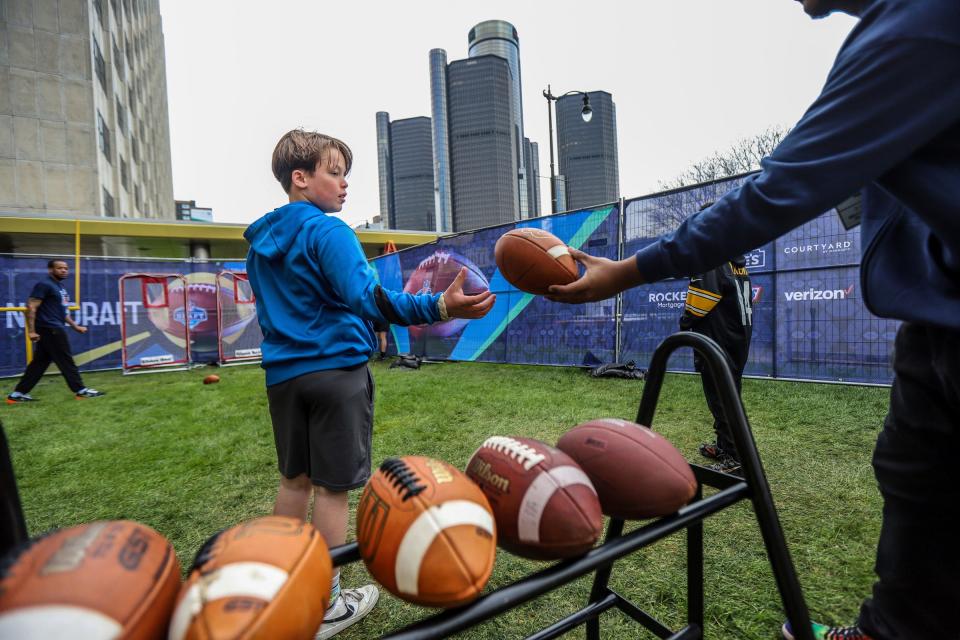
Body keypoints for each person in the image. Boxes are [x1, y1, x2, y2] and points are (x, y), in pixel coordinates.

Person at [548, 1, 960, 638]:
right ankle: (889, 627)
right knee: (912, 472)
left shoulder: (924, 19)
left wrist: (627, 272)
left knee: (732, 392)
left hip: (921, 322)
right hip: (933, 319)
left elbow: (774, 193)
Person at [244, 129, 494, 639]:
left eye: (344, 174)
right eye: (333, 172)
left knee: (294, 482)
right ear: (301, 178)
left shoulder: (258, 246)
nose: (344, 185)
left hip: (284, 379)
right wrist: (439, 306)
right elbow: (370, 301)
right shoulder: (329, 232)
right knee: (333, 490)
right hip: (335, 375)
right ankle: (326, 604)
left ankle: (281, 586)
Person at [677, 204, 753, 475]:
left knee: (721, 398)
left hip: (717, 339)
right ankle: (725, 446)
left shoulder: (711, 255)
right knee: (727, 394)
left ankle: (735, 458)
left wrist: (685, 323)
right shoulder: (735, 256)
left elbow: (703, 298)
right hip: (737, 337)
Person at [6, 260, 105, 403]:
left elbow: (62, 312)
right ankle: (81, 390)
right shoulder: (44, 285)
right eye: (59, 268)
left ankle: (17, 394)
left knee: (39, 363)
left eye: (65, 268)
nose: (64, 270)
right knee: (65, 360)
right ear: (50, 270)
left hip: (53, 327)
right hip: (50, 328)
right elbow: (31, 307)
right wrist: (31, 331)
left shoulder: (60, 287)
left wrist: (75, 326)